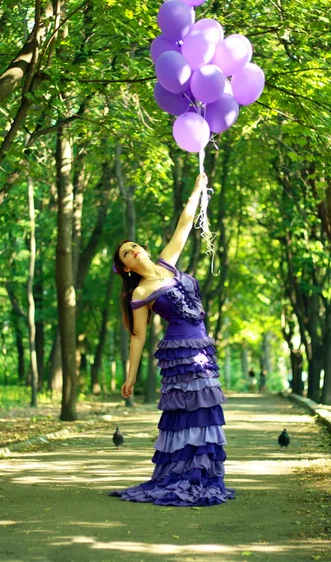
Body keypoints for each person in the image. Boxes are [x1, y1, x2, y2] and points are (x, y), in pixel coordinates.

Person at [109, 173, 235, 507]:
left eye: (134, 246)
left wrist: (195, 192)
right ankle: (185, 472)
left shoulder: (168, 263)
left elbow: (183, 225)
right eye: (126, 254)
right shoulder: (141, 292)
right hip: (180, 352)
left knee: (206, 407)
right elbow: (138, 335)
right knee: (187, 410)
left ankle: (204, 471)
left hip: (202, 348)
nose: (134, 251)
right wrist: (131, 376)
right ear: (126, 268)